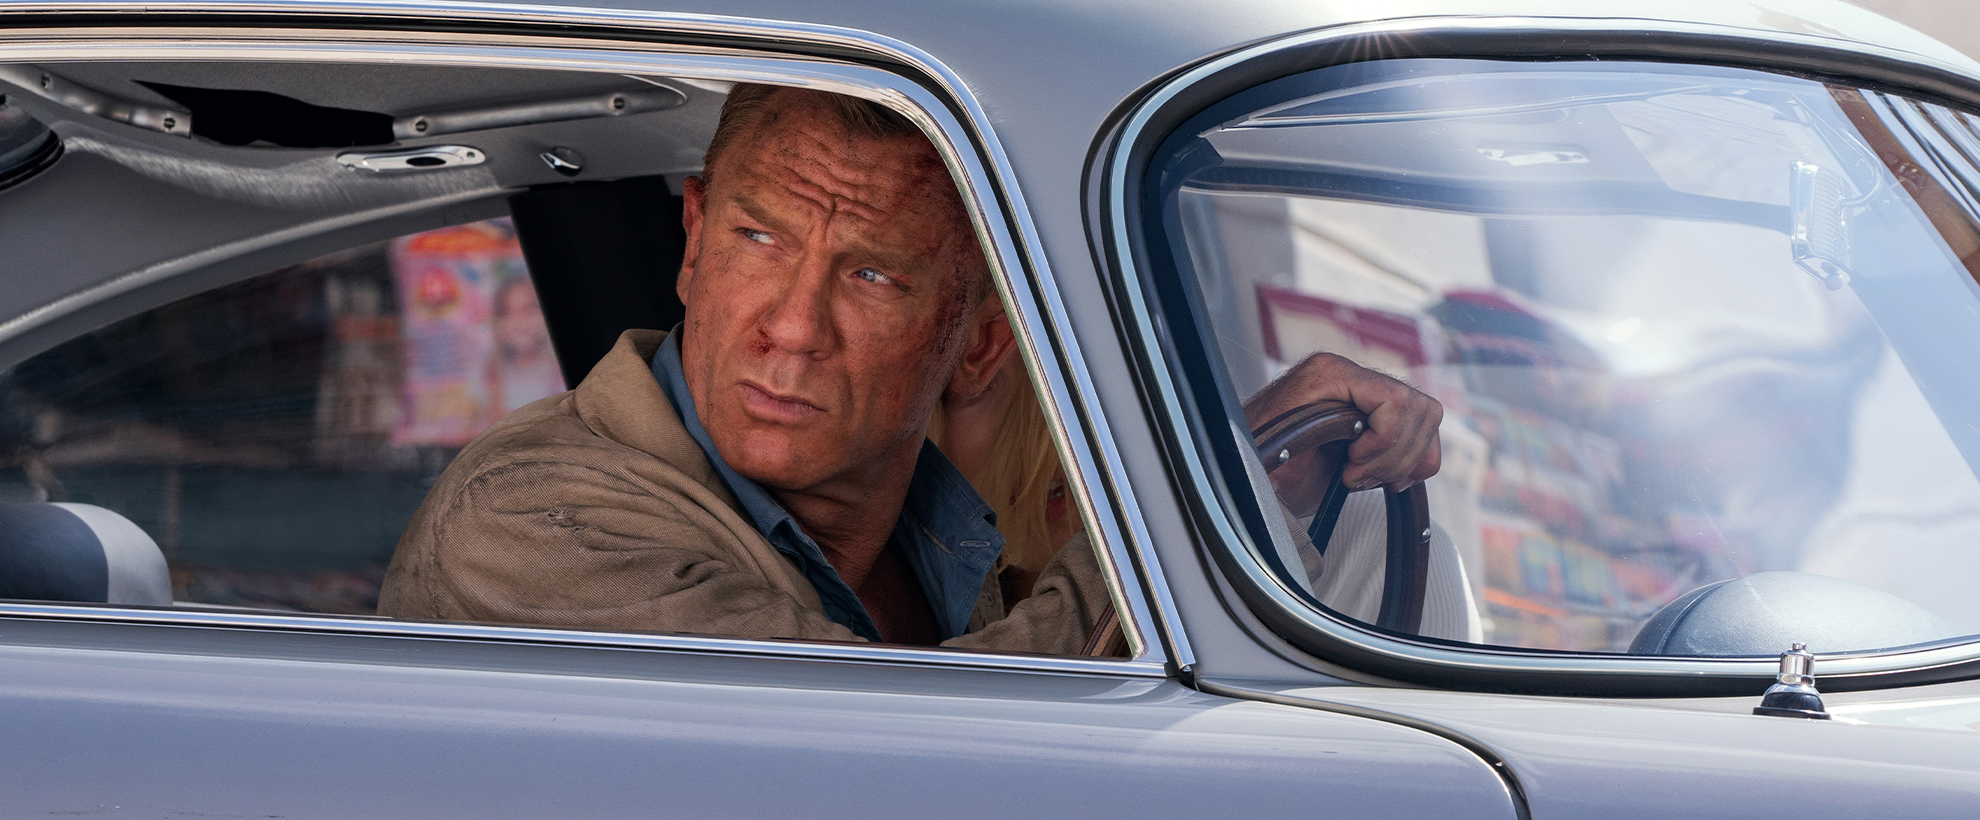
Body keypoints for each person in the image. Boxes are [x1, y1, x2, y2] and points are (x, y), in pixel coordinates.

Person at [376, 83, 1443, 653]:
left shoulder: (924, 537)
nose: (794, 329)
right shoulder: (526, 518)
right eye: (759, 239)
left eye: (873, 275)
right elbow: (916, 767)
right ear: (691, 241)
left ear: (975, 338)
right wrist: (1227, 483)